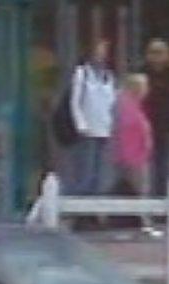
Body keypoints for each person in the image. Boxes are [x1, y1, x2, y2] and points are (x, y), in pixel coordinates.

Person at [140, 39, 169, 199]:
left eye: (160, 53)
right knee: (147, 169)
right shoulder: (141, 75)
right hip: (145, 128)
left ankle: (167, 203)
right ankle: (149, 203)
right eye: (153, 52)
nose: (157, 57)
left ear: (168, 55)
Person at [69, 39, 117, 196]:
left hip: (105, 129)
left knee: (101, 171)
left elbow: (112, 102)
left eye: (104, 51)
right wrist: (80, 124)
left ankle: (96, 205)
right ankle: (81, 205)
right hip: (88, 129)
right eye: (98, 50)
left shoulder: (109, 76)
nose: (101, 55)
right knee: (86, 170)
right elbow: (75, 101)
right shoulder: (82, 73)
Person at [113, 74, 153, 198]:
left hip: (136, 155)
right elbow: (128, 130)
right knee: (138, 189)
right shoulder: (127, 107)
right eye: (145, 87)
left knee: (137, 188)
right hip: (133, 156)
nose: (147, 90)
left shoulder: (133, 106)